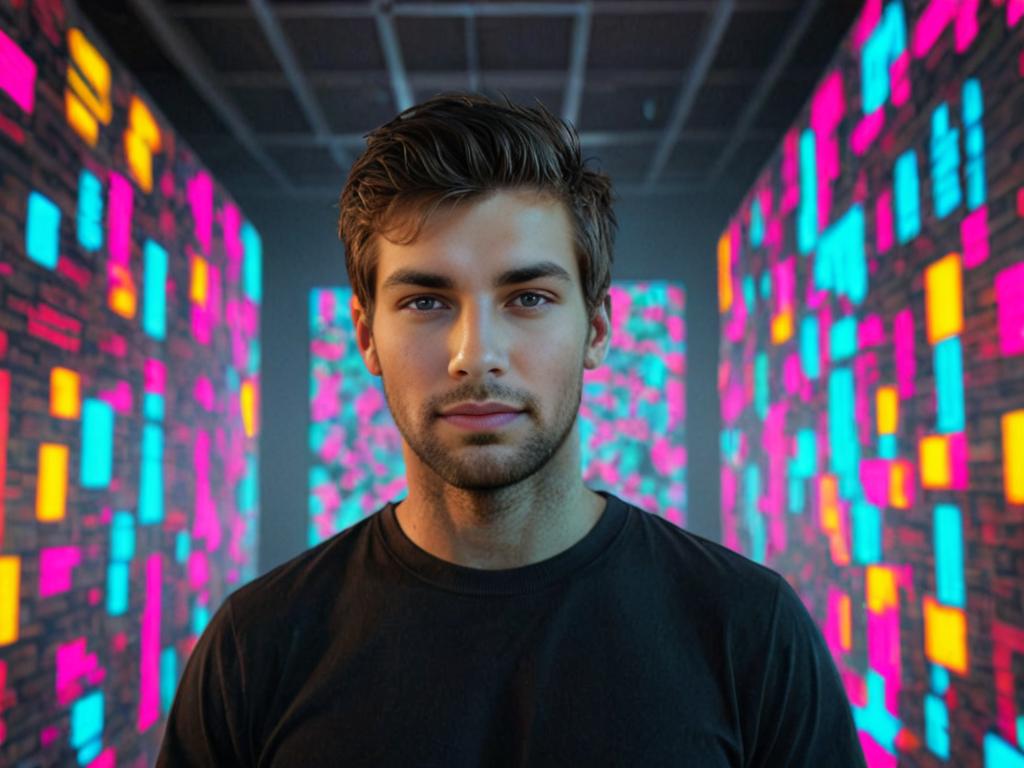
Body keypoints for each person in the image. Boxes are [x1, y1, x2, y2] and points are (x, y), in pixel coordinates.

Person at [156, 92, 867, 767]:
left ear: (596, 327)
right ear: (367, 336)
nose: (475, 355)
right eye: (427, 300)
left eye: (528, 297)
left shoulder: (750, 629)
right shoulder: (256, 646)